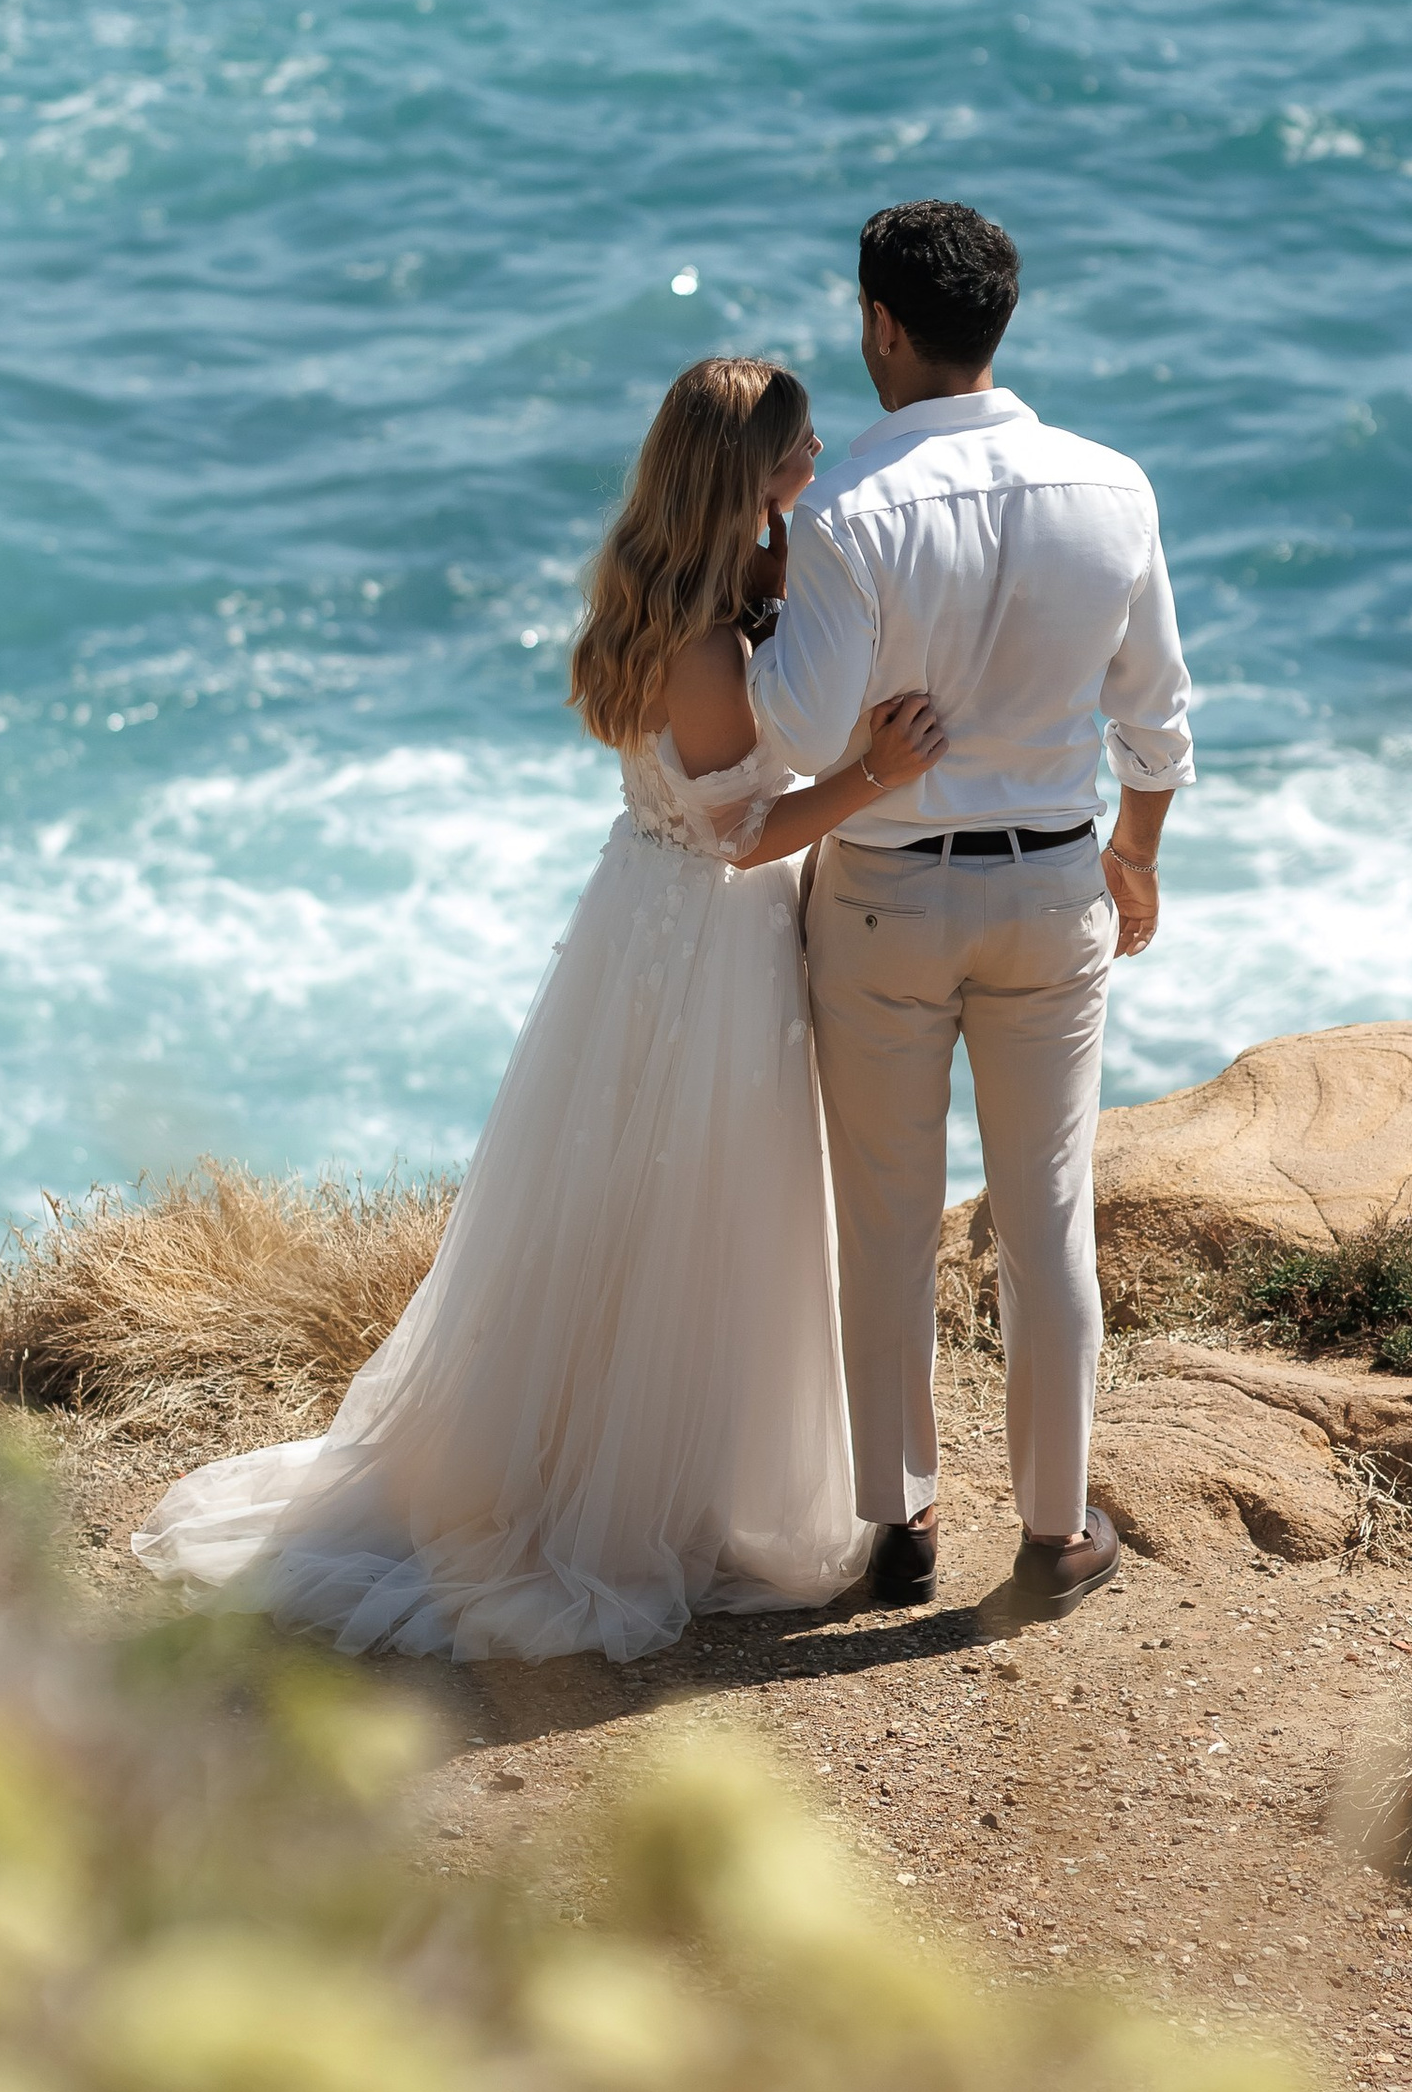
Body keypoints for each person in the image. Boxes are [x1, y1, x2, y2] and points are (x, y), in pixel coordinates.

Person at [133, 356, 946, 1664]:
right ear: (752, 478)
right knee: (704, 1211)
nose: (816, 471)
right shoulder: (702, 643)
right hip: (707, 943)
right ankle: (648, 1496)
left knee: (653, 1209)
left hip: (644, 921)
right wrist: (876, 772)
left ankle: (667, 1465)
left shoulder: (684, 590)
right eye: (796, 459)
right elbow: (742, 834)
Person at [749, 200, 1193, 1622]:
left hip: (884, 895)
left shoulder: (845, 511)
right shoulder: (1112, 488)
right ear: (998, 323)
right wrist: (1137, 856)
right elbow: (1159, 718)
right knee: (1046, 1210)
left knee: (885, 1219)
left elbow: (809, 731)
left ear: (884, 326)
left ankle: (902, 1528)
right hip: (1056, 885)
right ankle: (1056, 1533)